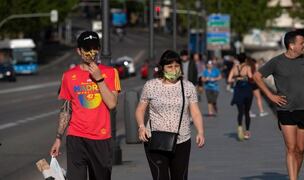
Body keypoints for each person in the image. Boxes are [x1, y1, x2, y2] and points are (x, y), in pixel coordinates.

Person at [49, 31, 121, 180]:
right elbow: (66, 109)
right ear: (79, 51)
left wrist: (99, 79)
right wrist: (58, 138)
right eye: (87, 48)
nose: (91, 52)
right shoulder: (68, 76)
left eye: (95, 48)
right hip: (76, 138)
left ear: (99, 49)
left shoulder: (110, 72)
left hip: (101, 139)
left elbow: (112, 104)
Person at [253, 31, 304, 180]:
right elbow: (256, 76)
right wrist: (271, 96)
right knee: (291, 148)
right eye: (301, 43)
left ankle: (294, 175)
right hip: (286, 110)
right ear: (291, 45)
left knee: (300, 150)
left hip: (303, 109)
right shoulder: (276, 62)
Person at [135, 50, 205, 180]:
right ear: (163, 68)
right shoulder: (151, 86)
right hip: (155, 140)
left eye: (176, 66)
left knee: (180, 177)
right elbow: (140, 109)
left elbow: (195, 112)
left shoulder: (188, 86)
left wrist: (200, 132)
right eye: (170, 66)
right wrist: (141, 127)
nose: (173, 69)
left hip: (181, 140)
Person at [227, 53, 253, 140]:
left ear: (238, 59)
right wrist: (244, 77)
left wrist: (236, 78)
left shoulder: (234, 68)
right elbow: (250, 77)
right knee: (247, 111)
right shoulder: (247, 67)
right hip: (247, 90)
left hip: (238, 90)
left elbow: (229, 80)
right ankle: (247, 132)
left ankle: (240, 127)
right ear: (245, 59)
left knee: (240, 111)